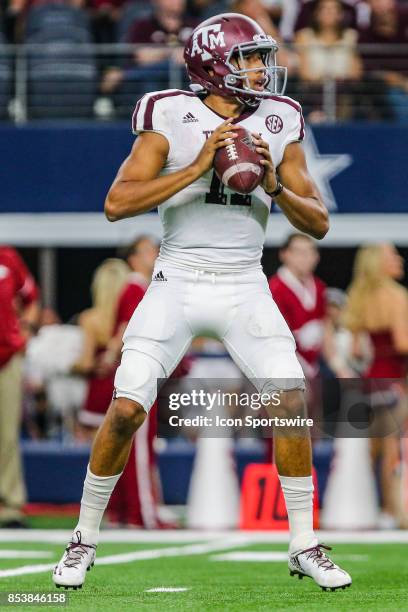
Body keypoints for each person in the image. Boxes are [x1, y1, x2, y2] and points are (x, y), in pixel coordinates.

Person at [53, 13, 351, 591]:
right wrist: (195, 167)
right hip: (179, 279)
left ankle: (303, 544)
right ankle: (83, 539)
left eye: (263, 58)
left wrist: (274, 186)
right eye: (250, 59)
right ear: (216, 66)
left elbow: (316, 224)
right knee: (127, 407)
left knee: (290, 399)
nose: (263, 69)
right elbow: (117, 203)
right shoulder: (169, 112)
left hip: (244, 281)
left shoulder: (280, 118)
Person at [343, 243, 408, 527]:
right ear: (379, 263)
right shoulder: (396, 296)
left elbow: (356, 351)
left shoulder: (359, 297)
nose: (398, 259)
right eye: (392, 255)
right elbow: (402, 343)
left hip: (370, 383)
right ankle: (393, 512)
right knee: (392, 451)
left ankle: (363, 507)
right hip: (395, 381)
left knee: (372, 451)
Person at [0, 246, 39, 527]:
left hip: (6, 356)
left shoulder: (8, 258)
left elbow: (31, 298)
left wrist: (24, 331)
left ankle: (10, 503)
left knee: (7, 433)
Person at [74, 258, 129, 439]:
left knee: (95, 458)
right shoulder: (134, 318)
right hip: (127, 389)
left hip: (98, 392)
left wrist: (69, 367)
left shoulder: (90, 319)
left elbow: (86, 363)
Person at [294, 0, 362, 121]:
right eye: (324, 8)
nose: (329, 12)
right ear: (316, 13)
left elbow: (356, 72)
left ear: (341, 14)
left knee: (346, 100)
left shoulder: (351, 36)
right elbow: (303, 73)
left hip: (342, 90)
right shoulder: (304, 36)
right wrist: (322, 81)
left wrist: (336, 81)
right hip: (313, 91)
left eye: (334, 9)